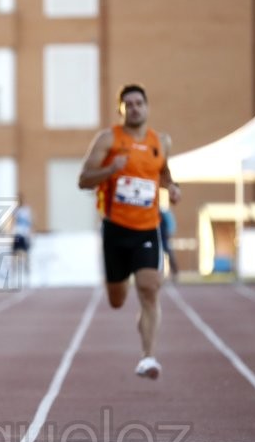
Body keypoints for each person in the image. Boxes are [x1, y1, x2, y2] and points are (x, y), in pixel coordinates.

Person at [78, 84, 182, 380]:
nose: (135, 108)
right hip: (115, 229)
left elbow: (163, 173)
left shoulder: (161, 141)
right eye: (129, 104)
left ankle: (148, 357)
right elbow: (84, 179)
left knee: (150, 289)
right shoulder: (108, 140)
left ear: (147, 107)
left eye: (139, 103)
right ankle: (131, 307)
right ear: (121, 110)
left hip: (147, 228)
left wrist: (172, 187)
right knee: (117, 300)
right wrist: (110, 169)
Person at [10, 196, 33, 287]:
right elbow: (12, 222)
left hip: (24, 235)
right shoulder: (15, 211)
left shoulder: (26, 211)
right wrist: (11, 234)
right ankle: (14, 279)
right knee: (14, 258)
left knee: (26, 257)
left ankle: (28, 279)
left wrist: (30, 235)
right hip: (17, 235)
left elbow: (30, 223)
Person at [159, 207, 179, 281]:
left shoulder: (164, 213)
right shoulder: (152, 213)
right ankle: (160, 274)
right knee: (159, 257)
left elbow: (171, 223)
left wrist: (170, 232)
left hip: (164, 238)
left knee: (170, 255)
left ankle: (175, 274)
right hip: (156, 238)